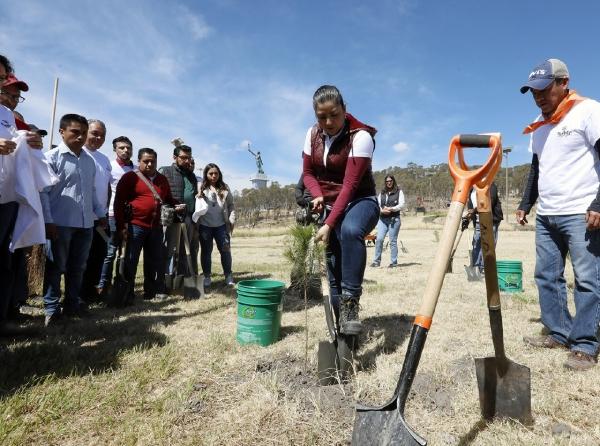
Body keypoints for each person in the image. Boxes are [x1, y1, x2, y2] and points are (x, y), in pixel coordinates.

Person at [517, 58, 600, 371]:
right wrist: (526, 203)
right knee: (546, 276)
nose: (538, 96)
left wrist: (599, 203)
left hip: (581, 212)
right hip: (547, 215)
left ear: (564, 83)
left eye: (544, 89)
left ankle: (585, 345)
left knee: (588, 279)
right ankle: (559, 331)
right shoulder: (538, 126)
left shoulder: (589, 111)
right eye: (533, 91)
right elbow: (537, 170)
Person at [302, 85, 379, 335]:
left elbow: (350, 186)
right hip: (330, 207)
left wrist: (328, 223)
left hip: (360, 202)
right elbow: (308, 173)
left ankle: (350, 303)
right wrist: (318, 196)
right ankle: (344, 334)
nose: (328, 121)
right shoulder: (312, 135)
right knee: (332, 271)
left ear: (344, 109)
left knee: (350, 230)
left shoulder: (360, 136)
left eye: (333, 114)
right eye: (321, 117)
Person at [41, 114, 107, 327]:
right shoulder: (51, 157)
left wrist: (100, 213)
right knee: (56, 266)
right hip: (60, 223)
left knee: (78, 267)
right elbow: (43, 192)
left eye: (83, 133)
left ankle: (72, 304)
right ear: (62, 132)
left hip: (86, 224)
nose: (80, 137)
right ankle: (52, 309)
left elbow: (92, 190)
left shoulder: (89, 161)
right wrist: (48, 220)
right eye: (75, 132)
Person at [0, 56, 49, 336]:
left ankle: (7, 312)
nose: (12, 99)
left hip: (8, 198)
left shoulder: (11, 119)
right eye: (7, 92)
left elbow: (24, 152)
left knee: (7, 260)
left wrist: (34, 144)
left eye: (16, 96)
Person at [113, 148, 181, 302]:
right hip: (135, 226)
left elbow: (168, 198)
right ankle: (127, 294)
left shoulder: (162, 180)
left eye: (153, 161)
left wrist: (177, 205)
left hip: (156, 227)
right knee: (130, 261)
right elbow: (118, 203)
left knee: (154, 261)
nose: (149, 164)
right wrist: (121, 226)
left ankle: (151, 292)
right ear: (139, 161)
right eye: (146, 161)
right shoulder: (130, 177)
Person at [97, 136, 136, 294]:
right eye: (122, 148)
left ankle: (121, 283)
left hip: (131, 217)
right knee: (111, 251)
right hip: (113, 215)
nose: (126, 150)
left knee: (126, 252)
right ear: (115, 149)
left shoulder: (135, 170)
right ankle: (103, 285)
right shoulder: (110, 167)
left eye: (128, 148)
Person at [80, 119, 112, 302]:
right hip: (80, 217)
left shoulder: (104, 159)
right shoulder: (79, 153)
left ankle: (90, 293)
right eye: (94, 133)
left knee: (97, 256)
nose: (98, 138)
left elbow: (106, 186)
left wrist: (104, 211)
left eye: (102, 135)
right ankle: (76, 296)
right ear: (86, 132)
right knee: (79, 259)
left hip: (99, 217)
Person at [159, 144, 199, 283]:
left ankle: (181, 281)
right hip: (171, 218)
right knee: (170, 251)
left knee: (184, 251)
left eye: (189, 158)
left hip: (188, 218)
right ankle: (166, 281)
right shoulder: (165, 171)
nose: (187, 161)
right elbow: (158, 196)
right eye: (184, 158)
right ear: (175, 157)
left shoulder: (192, 176)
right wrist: (171, 208)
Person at [193, 163, 235, 288]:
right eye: (210, 173)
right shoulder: (200, 186)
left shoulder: (224, 187)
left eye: (216, 173)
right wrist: (198, 195)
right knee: (206, 252)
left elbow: (231, 205)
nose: (213, 176)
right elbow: (196, 201)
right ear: (206, 174)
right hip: (205, 225)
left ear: (219, 174)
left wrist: (232, 219)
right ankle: (207, 276)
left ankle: (228, 275)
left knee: (225, 250)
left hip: (222, 226)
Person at [466, 182, 503, 274]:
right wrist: (469, 215)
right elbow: (470, 205)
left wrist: (475, 210)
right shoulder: (471, 191)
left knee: (488, 244)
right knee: (476, 242)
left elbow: (491, 201)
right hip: (478, 221)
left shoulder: (490, 186)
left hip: (491, 220)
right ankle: (476, 266)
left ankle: (484, 266)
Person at [371, 175, 405, 268]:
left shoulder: (399, 191)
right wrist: (381, 210)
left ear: (393, 181)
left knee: (392, 241)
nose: (388, 183)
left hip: (394, 219)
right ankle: (376, 262)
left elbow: (401, 205)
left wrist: (391, 209)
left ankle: (394, 263)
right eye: (387, 181)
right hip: (382, 219)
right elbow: (377, 204)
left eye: (390, 181)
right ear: (385, 182)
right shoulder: (382, 193)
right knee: (379, 239)